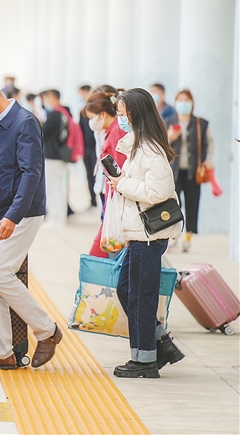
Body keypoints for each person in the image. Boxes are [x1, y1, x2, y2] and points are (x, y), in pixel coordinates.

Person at [0, 77, 62, 371]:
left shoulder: (24, 122)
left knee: (1, 275)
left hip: (21, 214)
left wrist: (12, 216)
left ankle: (47, 330)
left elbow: (31, 172)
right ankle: (2, 350)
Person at [107, 88, 184, 378]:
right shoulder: (138, 146)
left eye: (122, 112)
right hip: (139, 233)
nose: (120, 118)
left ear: (135, 113)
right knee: (128, 290)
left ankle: (144, 361)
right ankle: (161, 344)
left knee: (141, 296)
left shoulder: (150, 149)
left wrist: (122, 185)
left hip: (148, 235)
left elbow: (158, 191)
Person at [82, 87, 127, 257]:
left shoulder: (116, 132)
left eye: (92, 118)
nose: (90, 122)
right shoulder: (110, 131)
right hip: (111, 195)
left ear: (103, 114)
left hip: (116, 198)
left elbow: (119, 170)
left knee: (110, 247)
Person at [167, 89, 214, 252]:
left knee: (192, 204)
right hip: (174, 172)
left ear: (192, 103)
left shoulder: (201, 123)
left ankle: (188, 237)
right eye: (180, 100)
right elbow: (161, 143)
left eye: (186, 100)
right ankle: (173, 237)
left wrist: (208, 160)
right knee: (174, 204)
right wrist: (170, 136)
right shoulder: (169, 121)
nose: (183, 104)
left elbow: (210, 143)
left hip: (194, 172)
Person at [40, 89, 71, 226]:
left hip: (52, 156)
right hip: (61, 155)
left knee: (53, 188)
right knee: (59, 187)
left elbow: (43, 133)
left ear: (52, 98)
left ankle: (56, 218)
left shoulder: (54, 115)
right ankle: (61, 217)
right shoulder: (65, 113)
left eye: (45, 98)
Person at [78, 85, 98, 208]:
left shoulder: (99, 111)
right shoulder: (83, 112)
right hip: (86, 149)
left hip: (97, 148)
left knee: (98, 175)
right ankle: (93, 201)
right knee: (89, 175)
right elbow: (80, 130)